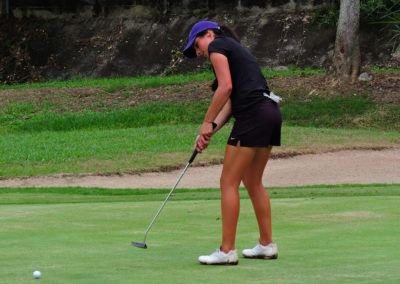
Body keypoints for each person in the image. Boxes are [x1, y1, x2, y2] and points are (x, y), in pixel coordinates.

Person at [183, 20, 282, 265]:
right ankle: (267, 245)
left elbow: (225, 88)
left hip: (253, 116)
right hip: (269, 112)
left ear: (208, 34)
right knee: (252, 181)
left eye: (197, 45)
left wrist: (206, 122)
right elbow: (230, 104)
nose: (199, 52)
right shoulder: (234, 51)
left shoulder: (218, 46)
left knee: (228, 182)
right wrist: (209, 131)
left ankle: (227, 251)